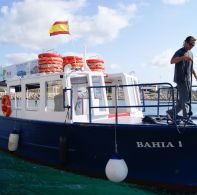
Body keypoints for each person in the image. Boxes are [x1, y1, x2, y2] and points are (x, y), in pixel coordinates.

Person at [167, 36, 197, 121]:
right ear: (186, 43)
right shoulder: (180, 52)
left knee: (182, 101)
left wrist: (195, 74)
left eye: (193, 45)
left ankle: (171, 113)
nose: (192, 46)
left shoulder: (190, 53)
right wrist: (182, 58)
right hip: (181, 79)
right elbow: (172, 61)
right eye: (191, 44)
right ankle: (186, 118)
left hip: (188, 80)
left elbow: (190, 66)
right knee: (186, 100)